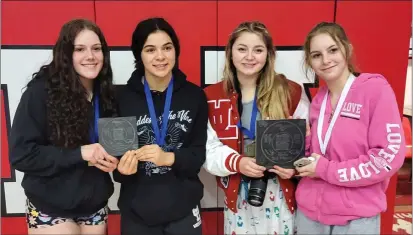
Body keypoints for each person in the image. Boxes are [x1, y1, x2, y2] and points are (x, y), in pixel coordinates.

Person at [294, 22, 406, 234]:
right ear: (310, 61)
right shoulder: (319, 100)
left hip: (355, 219)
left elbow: (388, 158)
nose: (326, 60)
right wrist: (301, 145)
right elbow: (317, 157)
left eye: (333, 50)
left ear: (347, 49)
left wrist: (326, 170)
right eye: (317, 55)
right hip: (310, 215)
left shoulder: (374, 90)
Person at [9, 19, 119, 234]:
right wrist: (80, 153)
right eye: (80, 49)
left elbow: (113, 148)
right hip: (50, 205)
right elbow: (22, 154)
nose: (90, 56)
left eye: (97, 49)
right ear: (66, 54)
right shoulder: (40, 93)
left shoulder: (106, 94)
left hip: (94, 204)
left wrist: (117, 160)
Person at [203, 21, 310, 235]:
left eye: (258, 50)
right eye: (242, 49)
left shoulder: (290, 92)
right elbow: (208, 148)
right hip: (238, 193)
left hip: (280, 193)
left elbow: (310, 145)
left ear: (269, 54)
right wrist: (239, 162)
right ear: (230, 53)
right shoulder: (212, 96)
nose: (249, 57)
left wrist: (295, 167)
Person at [113, 17, 208, 235]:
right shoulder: (121, 98)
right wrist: (122, 169)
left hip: (183, 209)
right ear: (139, 54)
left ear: (176, 50)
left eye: (167, 47)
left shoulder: (194, 96)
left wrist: (168, 158)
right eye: (150, 49)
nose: (160, 57)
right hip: (137, 212)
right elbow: (116, 160)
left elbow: (198, 154)